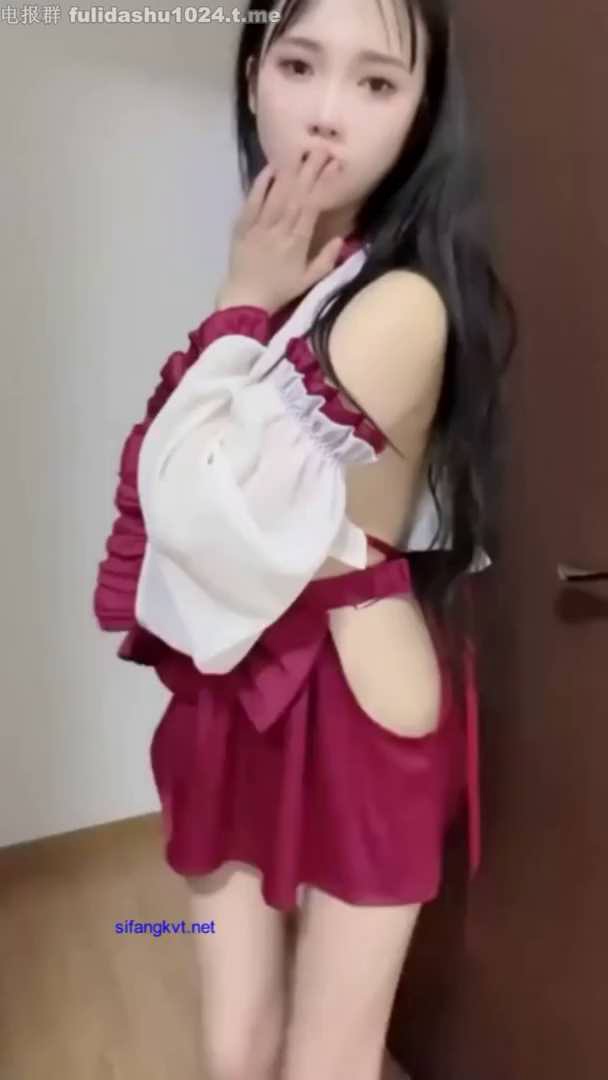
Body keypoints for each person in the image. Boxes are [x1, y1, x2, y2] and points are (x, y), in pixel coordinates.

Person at [93, 0, 516, 1077]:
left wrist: (237, 300)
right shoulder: (296, 275)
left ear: (421, 112)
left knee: (328, 1058)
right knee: (234, 1043)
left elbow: (201, 509)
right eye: (297, 65)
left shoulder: (401, 301)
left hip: (351, 685)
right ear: (251, 77)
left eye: (376, 83)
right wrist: (251, 299)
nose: (326, 114)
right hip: (232, 678)